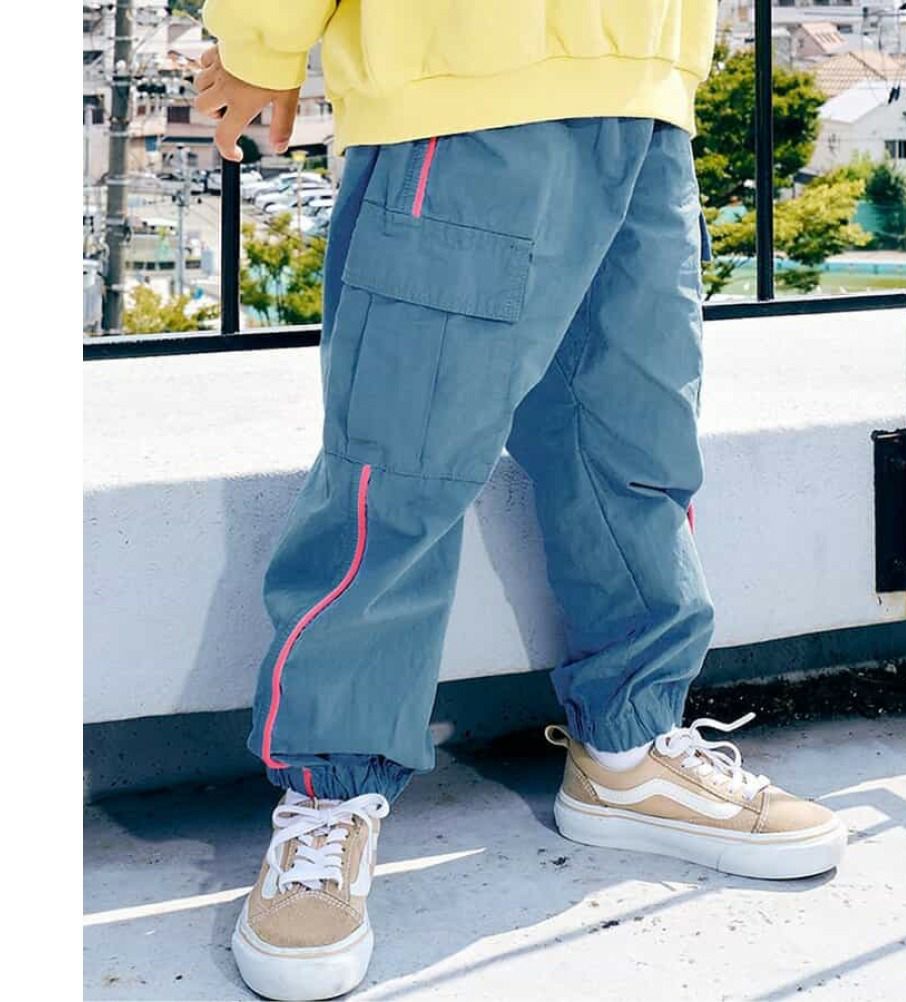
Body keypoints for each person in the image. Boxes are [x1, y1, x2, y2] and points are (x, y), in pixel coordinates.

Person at [195, 2, 847, 999]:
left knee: (633, 447)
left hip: (645, 87)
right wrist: (262, 40)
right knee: (401, 465)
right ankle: (329, 800)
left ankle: (629, 749)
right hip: (461, 85)